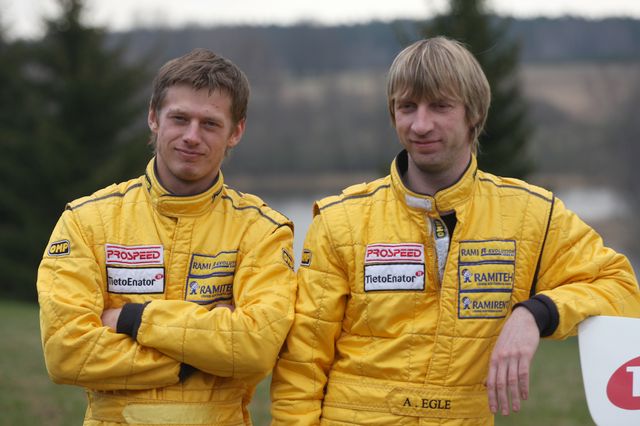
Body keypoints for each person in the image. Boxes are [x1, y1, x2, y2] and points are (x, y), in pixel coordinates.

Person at [270, 36, 640, 425]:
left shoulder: (531, 215)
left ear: (473, 114)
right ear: (393, 113)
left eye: (440, 106)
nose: (421, 124)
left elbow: (621, 289)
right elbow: (301, 365)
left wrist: (535, 313)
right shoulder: (340, 220)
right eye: (407, 107)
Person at [37, 48, 296, 426]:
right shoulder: (87, 221)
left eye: (210, 124)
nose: (192, 136)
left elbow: (255, 349)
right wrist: (197, 360)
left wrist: (132, 319)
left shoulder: (262, 231)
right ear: (153, 117)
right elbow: (66, 354)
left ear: (236, 132)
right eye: (179, 118)